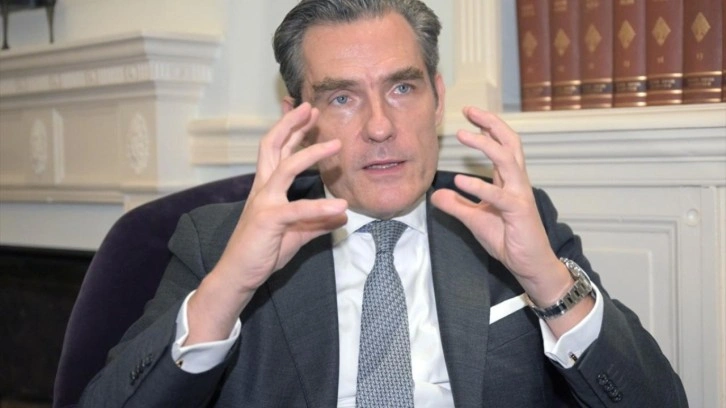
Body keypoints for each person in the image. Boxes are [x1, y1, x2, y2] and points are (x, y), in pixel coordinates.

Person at [79, 0, 688, 406]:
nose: (379, 126)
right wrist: (229, 286)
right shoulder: (217, 241)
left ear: (437, 97)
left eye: (402, 87)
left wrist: (547, 281)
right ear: (298, 119)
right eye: (342, 98)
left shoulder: (506, 218)